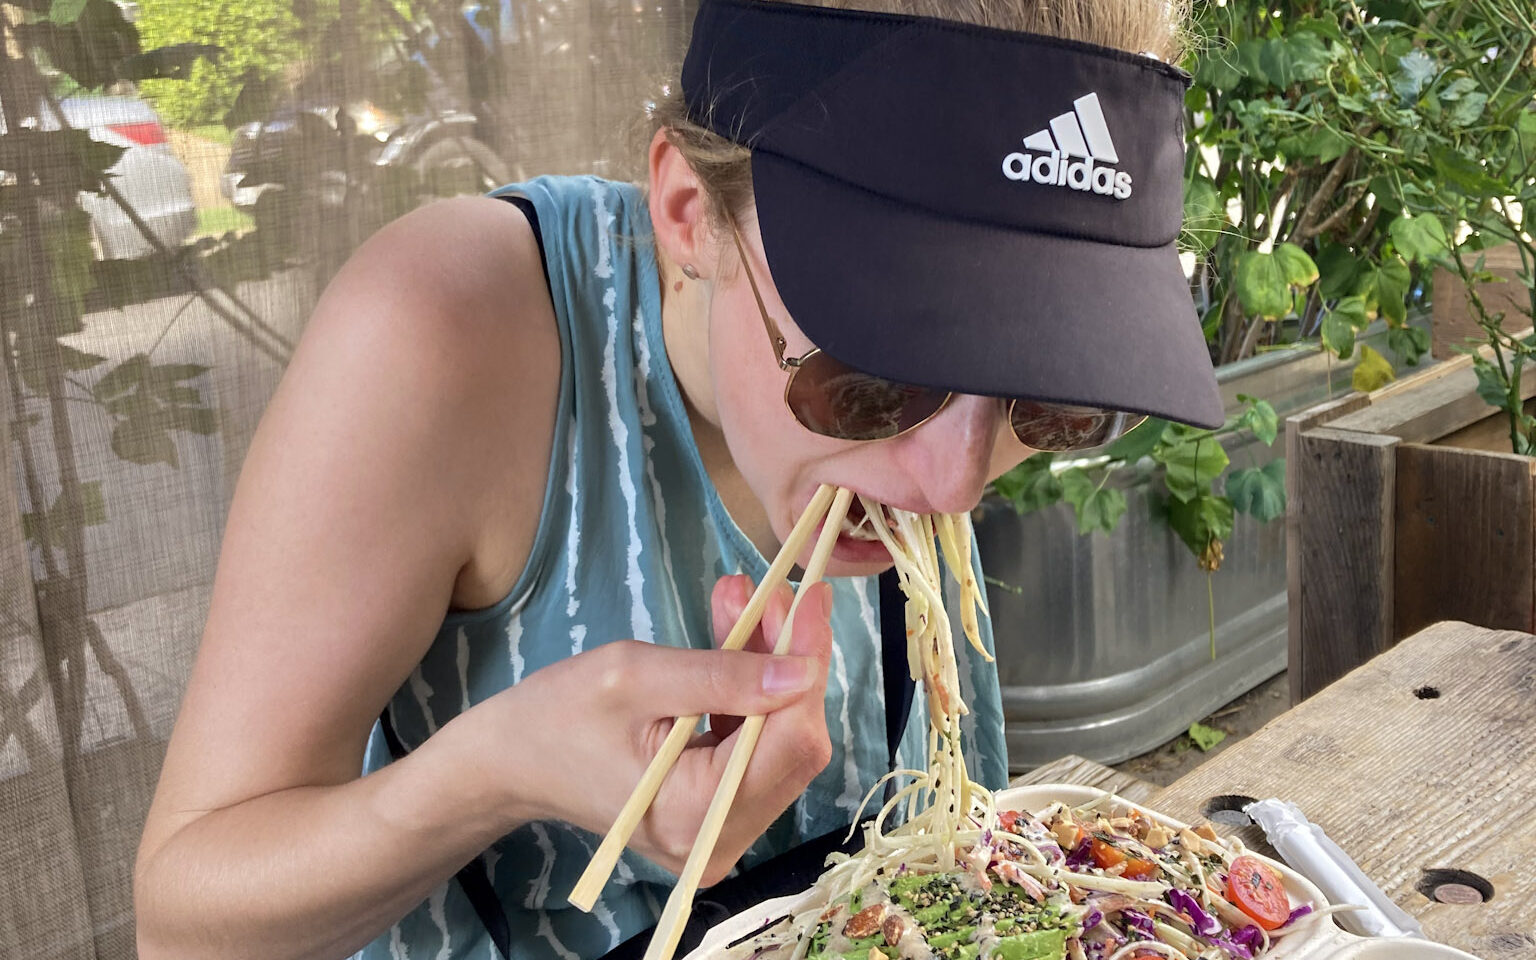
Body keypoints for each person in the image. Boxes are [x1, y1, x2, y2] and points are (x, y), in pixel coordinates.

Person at [133, 1, 1223, 959]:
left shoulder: (922, 454)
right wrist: (494, 771)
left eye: (1050, 397)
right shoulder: (446, 331)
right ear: (691, 214)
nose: (952, 486)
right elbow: (184, 923)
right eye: (879, 376)